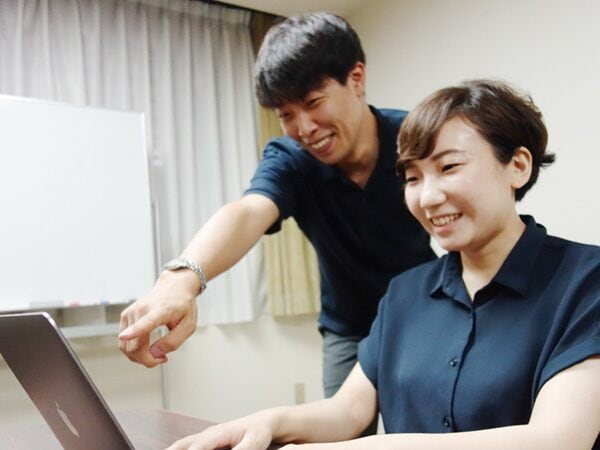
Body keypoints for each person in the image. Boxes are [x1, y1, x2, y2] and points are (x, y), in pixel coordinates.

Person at [165, 79, 600, 450]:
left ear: (517, 166)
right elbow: (348, 411)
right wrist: (267, 423)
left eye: (449, 167)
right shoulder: (405, 292)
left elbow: (559, 439)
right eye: (412, 178)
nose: (428, 197)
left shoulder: (585, 280)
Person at [118, 11, 435, 406]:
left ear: (356, 78)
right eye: (286, 115)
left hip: (424, 315)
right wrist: (180, 280)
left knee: (431, 422)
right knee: (339, 430)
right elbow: (249, 212)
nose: (304, 128)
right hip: (348, 328)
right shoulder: (291, 158)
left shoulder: (415, 139)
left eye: (313, 102)